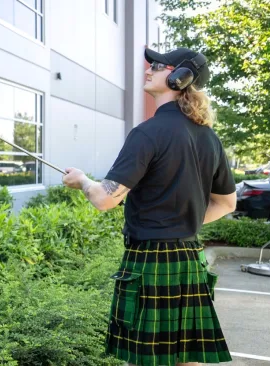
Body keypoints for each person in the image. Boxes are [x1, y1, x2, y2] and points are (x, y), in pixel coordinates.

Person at [62, 47, 237, 366]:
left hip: (151, 261)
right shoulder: (209, 138)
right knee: (188, 356)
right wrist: (186, 223)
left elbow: (105, 199)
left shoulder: (148, 133)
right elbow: (227, 203)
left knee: (145, 359)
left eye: (157, 65)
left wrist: (84, 181)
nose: (148, 69)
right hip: (189, 259)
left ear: (179, 77)